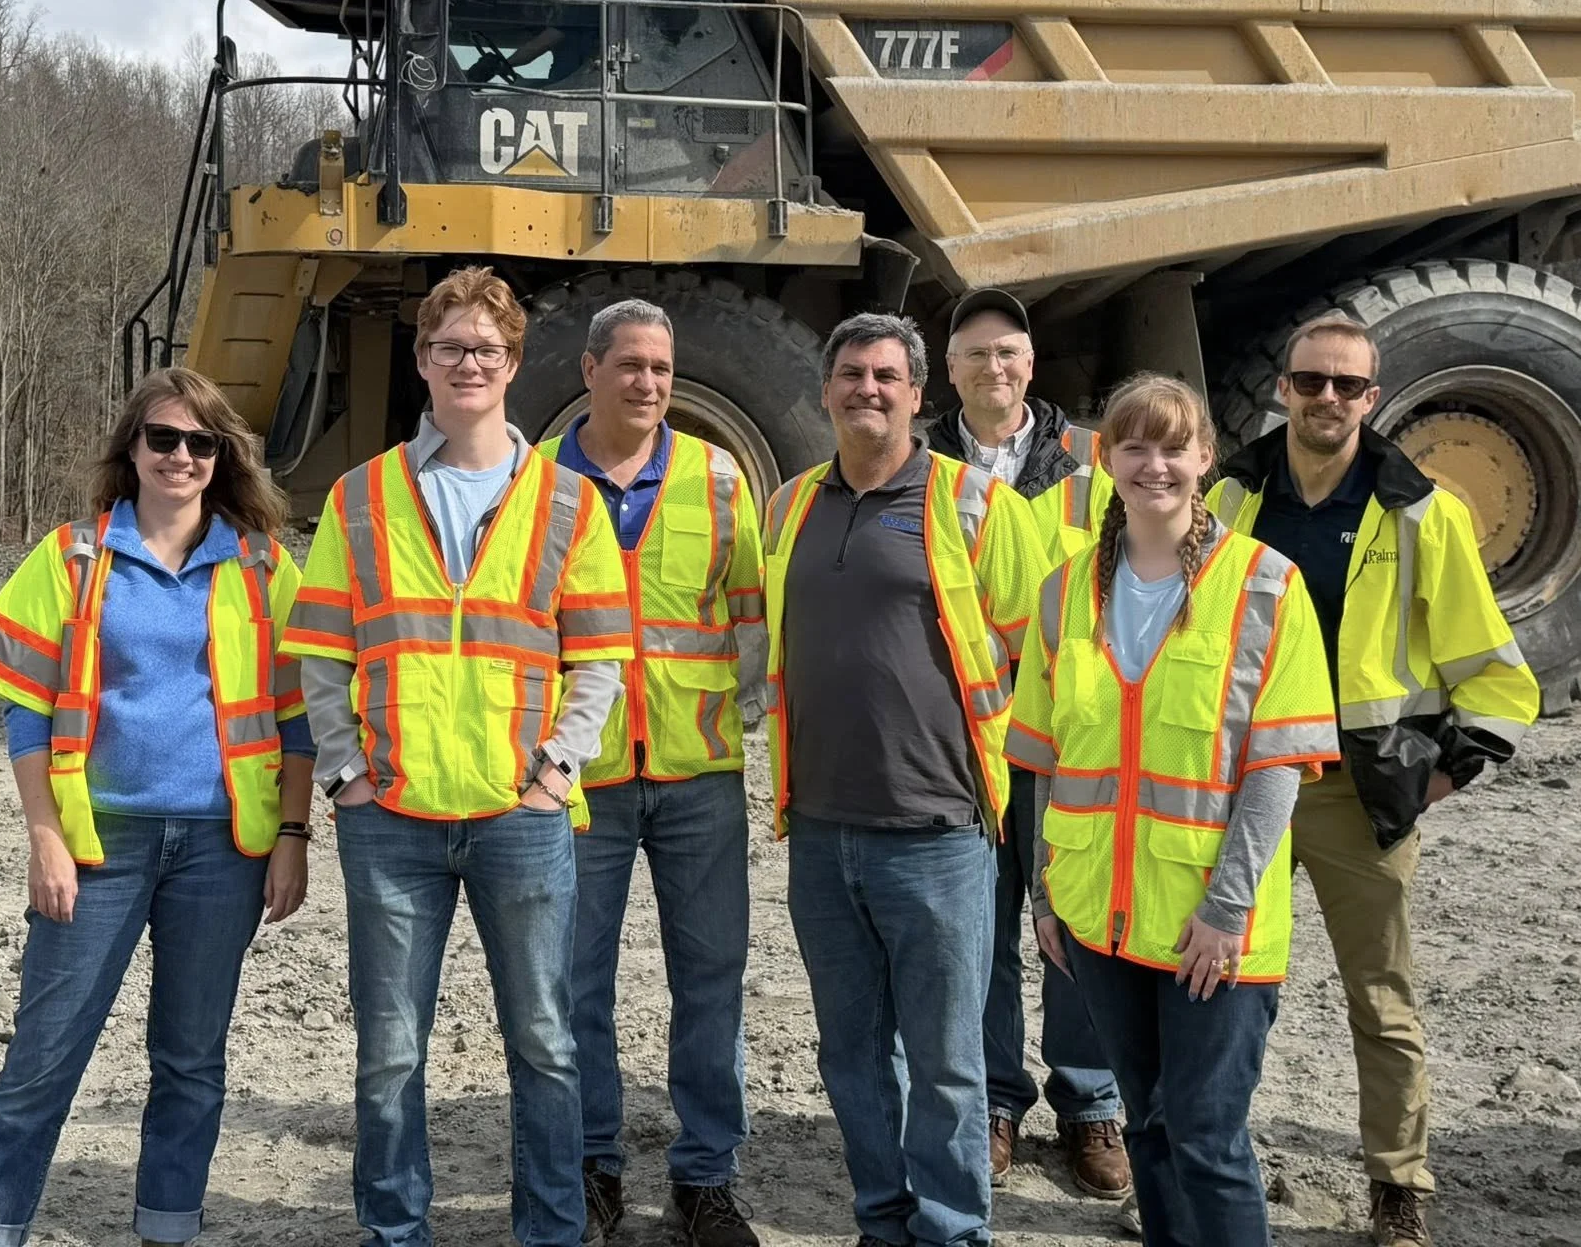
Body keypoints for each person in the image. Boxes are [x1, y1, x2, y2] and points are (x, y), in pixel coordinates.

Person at [281, 266, 633, 1247]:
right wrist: (346, 775)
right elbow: (319, 655)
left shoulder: (565, 501)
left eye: (485, 347)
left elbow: (598, 660)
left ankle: (550, 1232)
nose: (467, 362)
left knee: (547, 1049)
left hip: (518, 821)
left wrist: (555, 771)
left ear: (512, 362)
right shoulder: (361, 496)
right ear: (422, 361)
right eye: (448, 347)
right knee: (389, 1056)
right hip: (389, 824)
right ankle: (394, 1233)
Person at [0, 366, 313, 1247]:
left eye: (201, 443)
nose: (181, 457)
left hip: (226, 849)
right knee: (44, 1057)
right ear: (133, 449)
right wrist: (45, 838)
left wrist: (294, 835)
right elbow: (26, 711)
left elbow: (299, 718)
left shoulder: (264, 565)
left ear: (223, 457)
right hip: (99, 842)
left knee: (191, 1063)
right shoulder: (72, 556)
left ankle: (167, 1228)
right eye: (164, 439)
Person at [1208, 317, 1540, 1247]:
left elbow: (1499, 675)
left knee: (1381, 1000)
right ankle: (1201, 1164)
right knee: (1218, 993)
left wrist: (1433, 781)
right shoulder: (1230, 497)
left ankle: (1400, 1188)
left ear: (1372, 395)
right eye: (1310, 382)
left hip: (1362, 798)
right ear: (1283, 388)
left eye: (1347, 387)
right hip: (1246, 787)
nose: (1327, 400)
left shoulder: (1418, 511)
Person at [1007, 373, 1338, 1247]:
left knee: (1207, 1137)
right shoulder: (1067, 589)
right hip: (1099, 919)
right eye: (1135, 446)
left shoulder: (1266, 585)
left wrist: (1227, 909)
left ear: (1204, 458)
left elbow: (1277, 767)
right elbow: (1044, 758)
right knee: (1147, 1127)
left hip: (1208, 928)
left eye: (1173, 447)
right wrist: (1048, 897)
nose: (1155, 465)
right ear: (1106, 458)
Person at [761, 312, 1048, 1247]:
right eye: (850, 374)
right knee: (849, 1055)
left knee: (947, 1062)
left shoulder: (977, 507)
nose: (867, 390)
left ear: (921, 395)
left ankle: (954, 1229)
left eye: (887, 376)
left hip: (938, 830)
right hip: (821, 828)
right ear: (826, 390)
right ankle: (882, 1222)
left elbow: (1042, 654)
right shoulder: (791, 504)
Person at [537, 300, 766, 1247]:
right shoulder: (536, 486)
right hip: (578, 781)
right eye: (629, 364)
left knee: (711, 980)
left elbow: (750, 623)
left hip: (697, 775)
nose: (649, 382)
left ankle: (705, 1180)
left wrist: (726, 713)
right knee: (574, 983)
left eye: (662, 367)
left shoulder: (718, 480)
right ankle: (594, 1169)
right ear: (589, 370)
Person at [924, 288, 1127, 1201]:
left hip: (1072, 729)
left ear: (1031, 364)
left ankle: (1091, 1104)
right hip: (962, 729)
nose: (993, 369)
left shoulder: (1093, 462)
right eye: (975, 355)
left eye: (1007, 352)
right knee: (983, 924)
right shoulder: (918, 458)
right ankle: (997, 1100)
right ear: (949, 368)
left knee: (1074, 911)